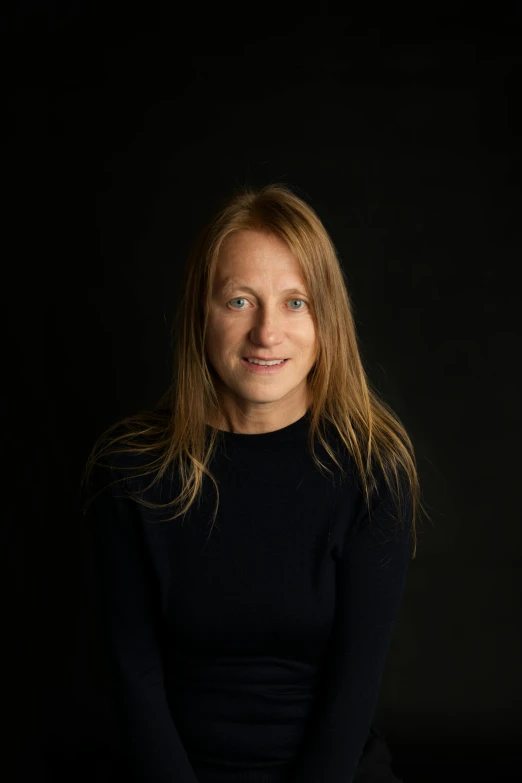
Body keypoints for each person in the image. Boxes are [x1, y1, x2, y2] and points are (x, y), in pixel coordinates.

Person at [81, 183, 426, 783]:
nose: (267, 333)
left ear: (327, 320)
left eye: (296, 303)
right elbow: (134, 673)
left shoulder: (373, 468)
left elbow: (356, 683)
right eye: (240, 301)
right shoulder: (132, 468)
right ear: (200, 311)